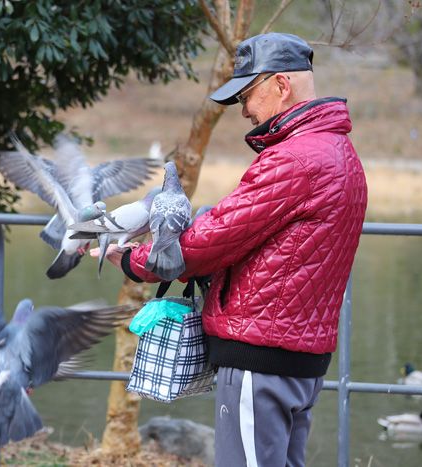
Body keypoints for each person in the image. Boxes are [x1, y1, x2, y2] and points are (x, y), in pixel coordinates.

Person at [94, 32, 368, 466]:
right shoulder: (341, 153)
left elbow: (214, 238)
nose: (244, 111)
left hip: (261, 359)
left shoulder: (294, 159)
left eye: (248, 94)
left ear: (282, 86)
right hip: (301, 358)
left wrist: (133, 260)